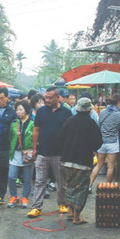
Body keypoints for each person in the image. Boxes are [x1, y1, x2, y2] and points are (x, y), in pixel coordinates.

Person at [27, 86, 72, 218]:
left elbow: (69, 133)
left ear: (58, 98)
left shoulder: (66, 112)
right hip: (42, 152)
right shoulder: (41, 112)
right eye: (46, 97)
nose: (47, 100)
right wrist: (34, 149)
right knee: (40, 181)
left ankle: (62, 204)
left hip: (59, 153)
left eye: (50, 97)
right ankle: (36, 207)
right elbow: (36, 130)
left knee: (61, 181)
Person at [58, 98, 103, 224]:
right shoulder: (91, 124)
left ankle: (71, 212)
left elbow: (60, 139)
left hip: (67, 160)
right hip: (83, 162)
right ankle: (77, 217)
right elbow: (98, 143)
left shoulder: (69, 121)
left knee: (70, 186)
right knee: (81, 188)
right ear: (89, 110)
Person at [7, 101, 34, 208]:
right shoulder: (14, 123)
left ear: (26, 110)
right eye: (17, 110)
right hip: (15, 153)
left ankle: (25, 197)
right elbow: (10, 137)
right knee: (11, 176)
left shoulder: (33, 123)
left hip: (28, 154)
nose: (18, 112)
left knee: (27, 179)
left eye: (20, 109)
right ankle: (14, 196)